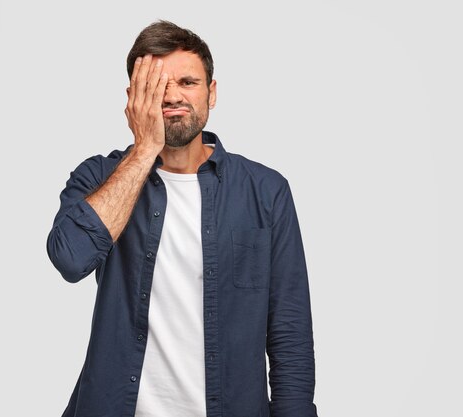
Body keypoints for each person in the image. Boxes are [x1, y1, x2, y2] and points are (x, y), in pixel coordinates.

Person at [46, 20, 318, 417]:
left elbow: (289, 334)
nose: (172, 96)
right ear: (133, 98)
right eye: (156, 86)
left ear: (212, 92)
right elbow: (70, 258)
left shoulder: (266, 191)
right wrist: (144, 150)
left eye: (188, 82)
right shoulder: (98, 177)